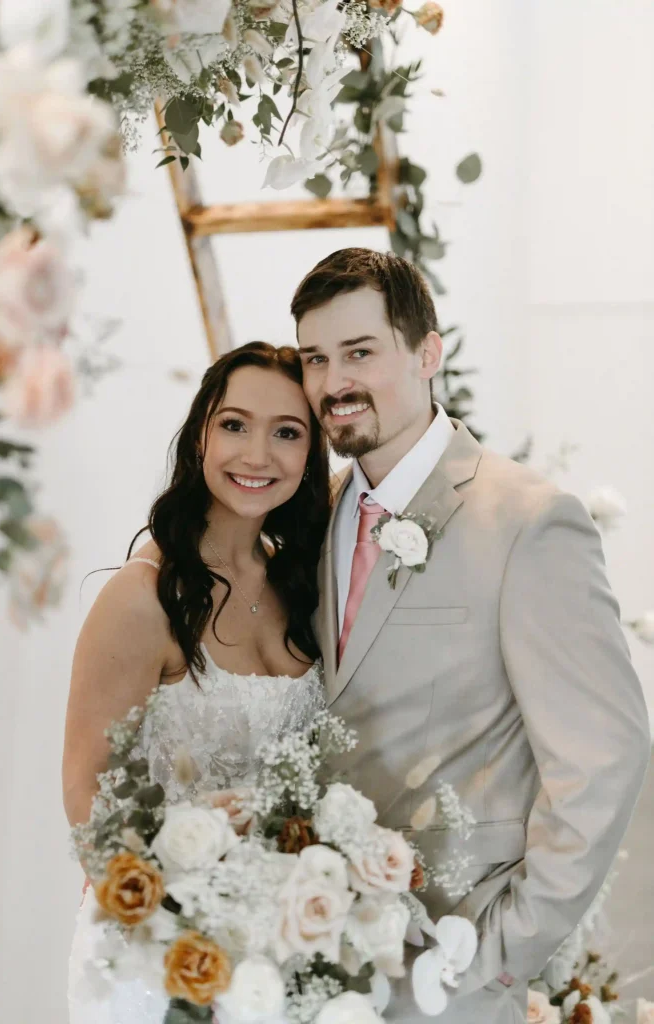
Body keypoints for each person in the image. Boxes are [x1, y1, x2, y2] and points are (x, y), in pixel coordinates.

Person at [292, 247, 651, 1024]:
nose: (332, 382)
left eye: (359, 352)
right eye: (314, 358)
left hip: (455, 975)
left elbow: (603, 756)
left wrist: (498, 956)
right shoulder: (308, 517)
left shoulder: (528, 521)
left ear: (427, 353)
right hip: (312, 968)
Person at [63, 342, 330, 1024]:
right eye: (234, 425)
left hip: (281, 951)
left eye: (287, 433)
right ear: (200, 436)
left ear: (310, 455)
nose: (256, 455)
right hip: (163, 955)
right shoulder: (141, 598)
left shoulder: (305, 587)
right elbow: (87, 792)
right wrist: (173, 937)